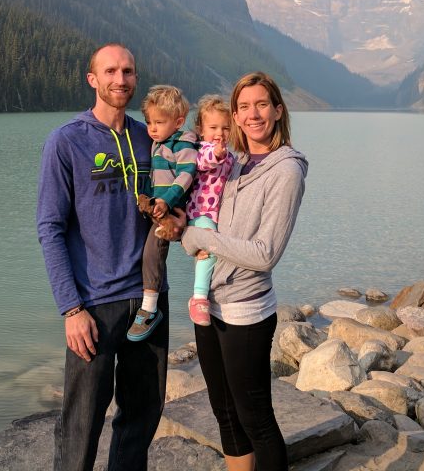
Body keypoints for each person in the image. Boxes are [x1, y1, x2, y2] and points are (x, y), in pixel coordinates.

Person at [35, 43, 167, 471]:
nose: (121, 79)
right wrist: (70, 308)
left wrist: (179, 221)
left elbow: (175, 198)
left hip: (149, 301)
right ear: (92, 79)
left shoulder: (150, 138)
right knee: (81, 423)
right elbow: (50, 228)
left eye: (128, 71)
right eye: (110, 71)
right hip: (93, 304)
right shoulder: (67, 140)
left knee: (141, 418)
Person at [179, 72, 307, 471]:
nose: (253, 115)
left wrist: (201, 239)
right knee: (226, 415)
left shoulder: (286, 171)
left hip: (246, 314)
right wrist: (187, 233)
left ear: (278, 110)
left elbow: (265, 253)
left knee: (257, 420)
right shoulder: (232, 163)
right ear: (234, 115)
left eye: (262, 104)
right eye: (244, 107)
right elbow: (203, 220)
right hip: (210, 307)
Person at [126, 85, 198, 341]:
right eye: (148, 122)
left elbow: (185, 176)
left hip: (172, 209)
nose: (152, 128)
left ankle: (149, 308)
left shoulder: (182, 145)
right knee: (147, 252)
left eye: (159, 122)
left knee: (153, 253)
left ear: (178, 121)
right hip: (159, 206)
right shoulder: (160, 142)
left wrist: (166, 201)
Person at [185, 94, 234, 326]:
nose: (220, 133)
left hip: (216, 215)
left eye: (225, 128)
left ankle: (213, 293)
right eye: (213, 127)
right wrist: (217, 154)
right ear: (201, 130)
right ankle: (199, 297)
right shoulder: (202, 149)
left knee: (215, 252)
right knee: (210, 248)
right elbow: (205, 161)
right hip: (200, 213)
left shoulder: (230, 156)